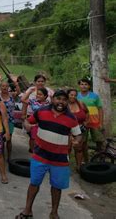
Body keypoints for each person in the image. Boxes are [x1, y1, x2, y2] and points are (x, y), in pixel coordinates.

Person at [16, 90, 81, 219]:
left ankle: (54, 213)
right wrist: (27, 125)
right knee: (34, 183)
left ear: (67, 101)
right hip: (40, 156)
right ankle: (27, 211)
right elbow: (28, 121)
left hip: (60, 159)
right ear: (53, 99)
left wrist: (77, 141)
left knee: (57, 187)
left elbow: (78, 134)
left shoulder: (71, 118)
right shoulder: (41, 111)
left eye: (64, 99)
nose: (60, 102)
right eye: (58, 98)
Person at [77, 78, 105, 152]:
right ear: (79, 86)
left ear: (89, 86)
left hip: (95, 121)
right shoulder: (76, 96)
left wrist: (101, 122)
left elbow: (100, 109)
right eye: (82, 84)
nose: (84, 86)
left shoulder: (94, 96)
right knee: (83, 141)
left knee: (99, 140)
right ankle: (85, 160)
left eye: (86, 84)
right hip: (82, 122)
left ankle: (100, 155)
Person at [0, 78, 21, 161]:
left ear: (8, 87)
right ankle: (2, 157)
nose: (4, 87)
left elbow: (18, 92)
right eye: (3, 86)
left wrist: (16, 83)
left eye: (6, 86)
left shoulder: (11, 95)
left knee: (8, 139)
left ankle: (9, 157)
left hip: (10, 120)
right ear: (0, 87)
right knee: (0, 139)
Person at [22, 87, 51, 153]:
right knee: (33, 139)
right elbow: (23, 99)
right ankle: (33, 152)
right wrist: (29, 92)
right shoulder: (33, 101)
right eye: (37, 94)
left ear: (45, 96)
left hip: (44, 125)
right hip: (33, 123)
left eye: (40, 94)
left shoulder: (48, 104)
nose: (38, 96)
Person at [67, 88, 88, 171]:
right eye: (71, 95)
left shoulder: (81, 104)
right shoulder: (64, 105)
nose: (73, 97)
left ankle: (79, 167)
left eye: (75, 95)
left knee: (79, 148)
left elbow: (87, 112)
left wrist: (86, 121)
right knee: (67, 148)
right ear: (67, 95)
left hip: (80, 129)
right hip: (67, 129)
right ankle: (63, 166)